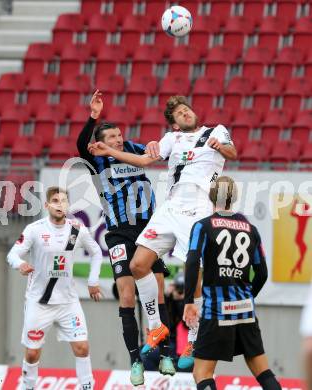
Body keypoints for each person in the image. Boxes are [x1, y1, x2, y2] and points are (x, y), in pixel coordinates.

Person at [88, 95, 237, 370]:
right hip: (170, 206)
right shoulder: (172, 139)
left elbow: (232, 154)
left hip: (199, 205)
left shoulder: (214, 131)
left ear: (193, 112)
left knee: (198, 270)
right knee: (138, 265)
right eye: (179, 114)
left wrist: (221, 146)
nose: (184, 114)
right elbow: (144, 160)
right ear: (175, 124)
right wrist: (110, 152)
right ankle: (156, 327)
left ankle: (193, 339)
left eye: (186, 110)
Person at [77, 90, 175, 386]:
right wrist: (93, 116)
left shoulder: (132, 148)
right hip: (119, 232)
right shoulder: (97, 160)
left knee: (159, 292)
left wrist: (157, 143)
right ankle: (135, 361)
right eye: (113, 138)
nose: (119, 140)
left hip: (149, 229)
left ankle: (166, 353)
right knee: (128, 296)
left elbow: (153, 154)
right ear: (100, 144)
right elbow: (81, 144)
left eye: (120, 135)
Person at [183, 176, 282, 390]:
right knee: (263, 371)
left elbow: (192, 261)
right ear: (234, 197)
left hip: (216, 312)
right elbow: (262, 273)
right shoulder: (251, 229)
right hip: (246, 311)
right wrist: (245, 297)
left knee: (202, 373)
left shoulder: (203, 226)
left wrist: (189, 300)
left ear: (211, 197)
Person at [7, 187, 103, 390]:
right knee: (32, 353)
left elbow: (95, 252)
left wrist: (93, 281)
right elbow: (12, 255)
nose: (61, 205)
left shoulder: (76, 229)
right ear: (47, 205)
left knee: (82, 347)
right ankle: (27, 387)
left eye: (64, 201)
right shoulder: (35, 229)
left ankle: (88, 387)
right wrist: (20, 264)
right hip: (39, 302)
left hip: (68, 302)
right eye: (56, 201)